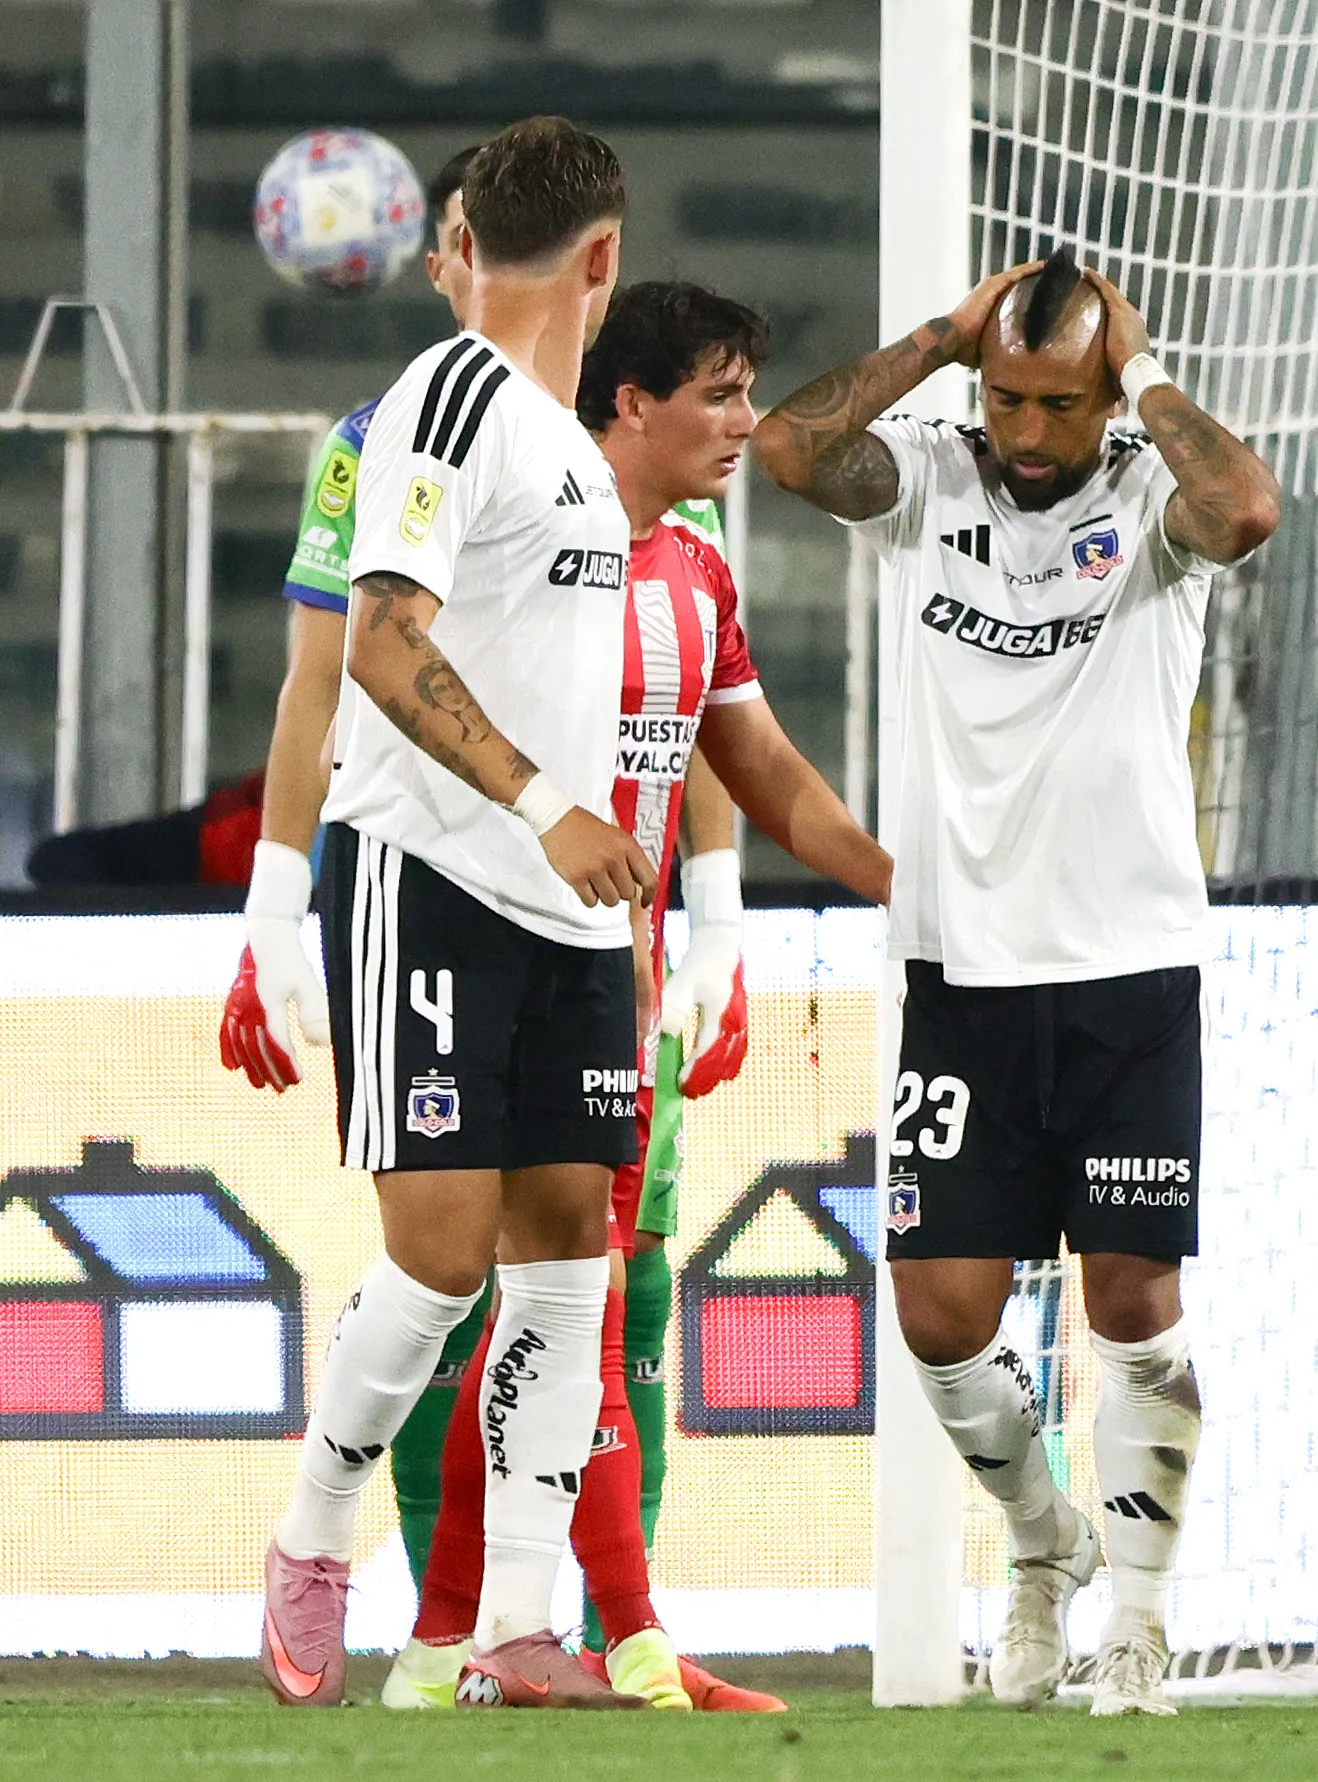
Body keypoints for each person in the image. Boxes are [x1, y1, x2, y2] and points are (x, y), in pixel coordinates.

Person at [751, 244, 1278, 1715]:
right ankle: (1046, 1544)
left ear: (1109, 394)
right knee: (937, 1310)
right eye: (1010, 400)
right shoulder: (932, 470)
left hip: (1128, 969)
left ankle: (1141, 1628)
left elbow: (1247, 507)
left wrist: (1146, 368)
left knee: (1131, 1298)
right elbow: (789, 450)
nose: (1031, 436)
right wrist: (937, 338)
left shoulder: (1149, 502)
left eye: (1061, 405)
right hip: (957, 969)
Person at [384, 282, 892, 1714]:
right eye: (722, 394)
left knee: (599, 1292)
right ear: (631, 402)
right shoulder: (521, 537)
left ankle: (505, 1640)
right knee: (477, 1300)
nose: (746, 423)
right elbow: (378, 673)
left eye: (748, 393)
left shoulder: (695, 566)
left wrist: (873, 882)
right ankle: (530, 1631)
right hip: (476, 956)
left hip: (624, 974)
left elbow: (756, 764)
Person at [257, 115, 659, 1711]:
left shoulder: (568, 441)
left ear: (466, 238)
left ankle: (509, 1623)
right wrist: (542, 803)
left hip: (566, 911)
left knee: (573, 1252)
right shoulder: (448, 395)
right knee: (435, 1262)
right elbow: (380, 638)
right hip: (433, 880)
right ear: (604, 261)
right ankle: (312, 1531)